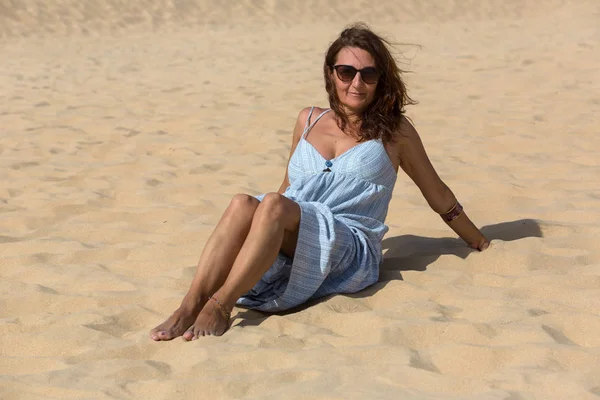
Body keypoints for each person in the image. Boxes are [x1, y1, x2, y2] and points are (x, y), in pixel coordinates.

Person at [150, 23, 490, 341]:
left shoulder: (395, 132)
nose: (356, 83)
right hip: (298, 226)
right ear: (331, 74)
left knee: (271, 204)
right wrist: (261, 229)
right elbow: (288, 188)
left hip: (350, 243)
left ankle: (220, 306)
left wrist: (478, 240)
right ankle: (189, 305)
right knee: (243, 202)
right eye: (346, 72)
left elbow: (437, 193)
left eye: (368, 74)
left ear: (380, 80)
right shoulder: (308, 119)